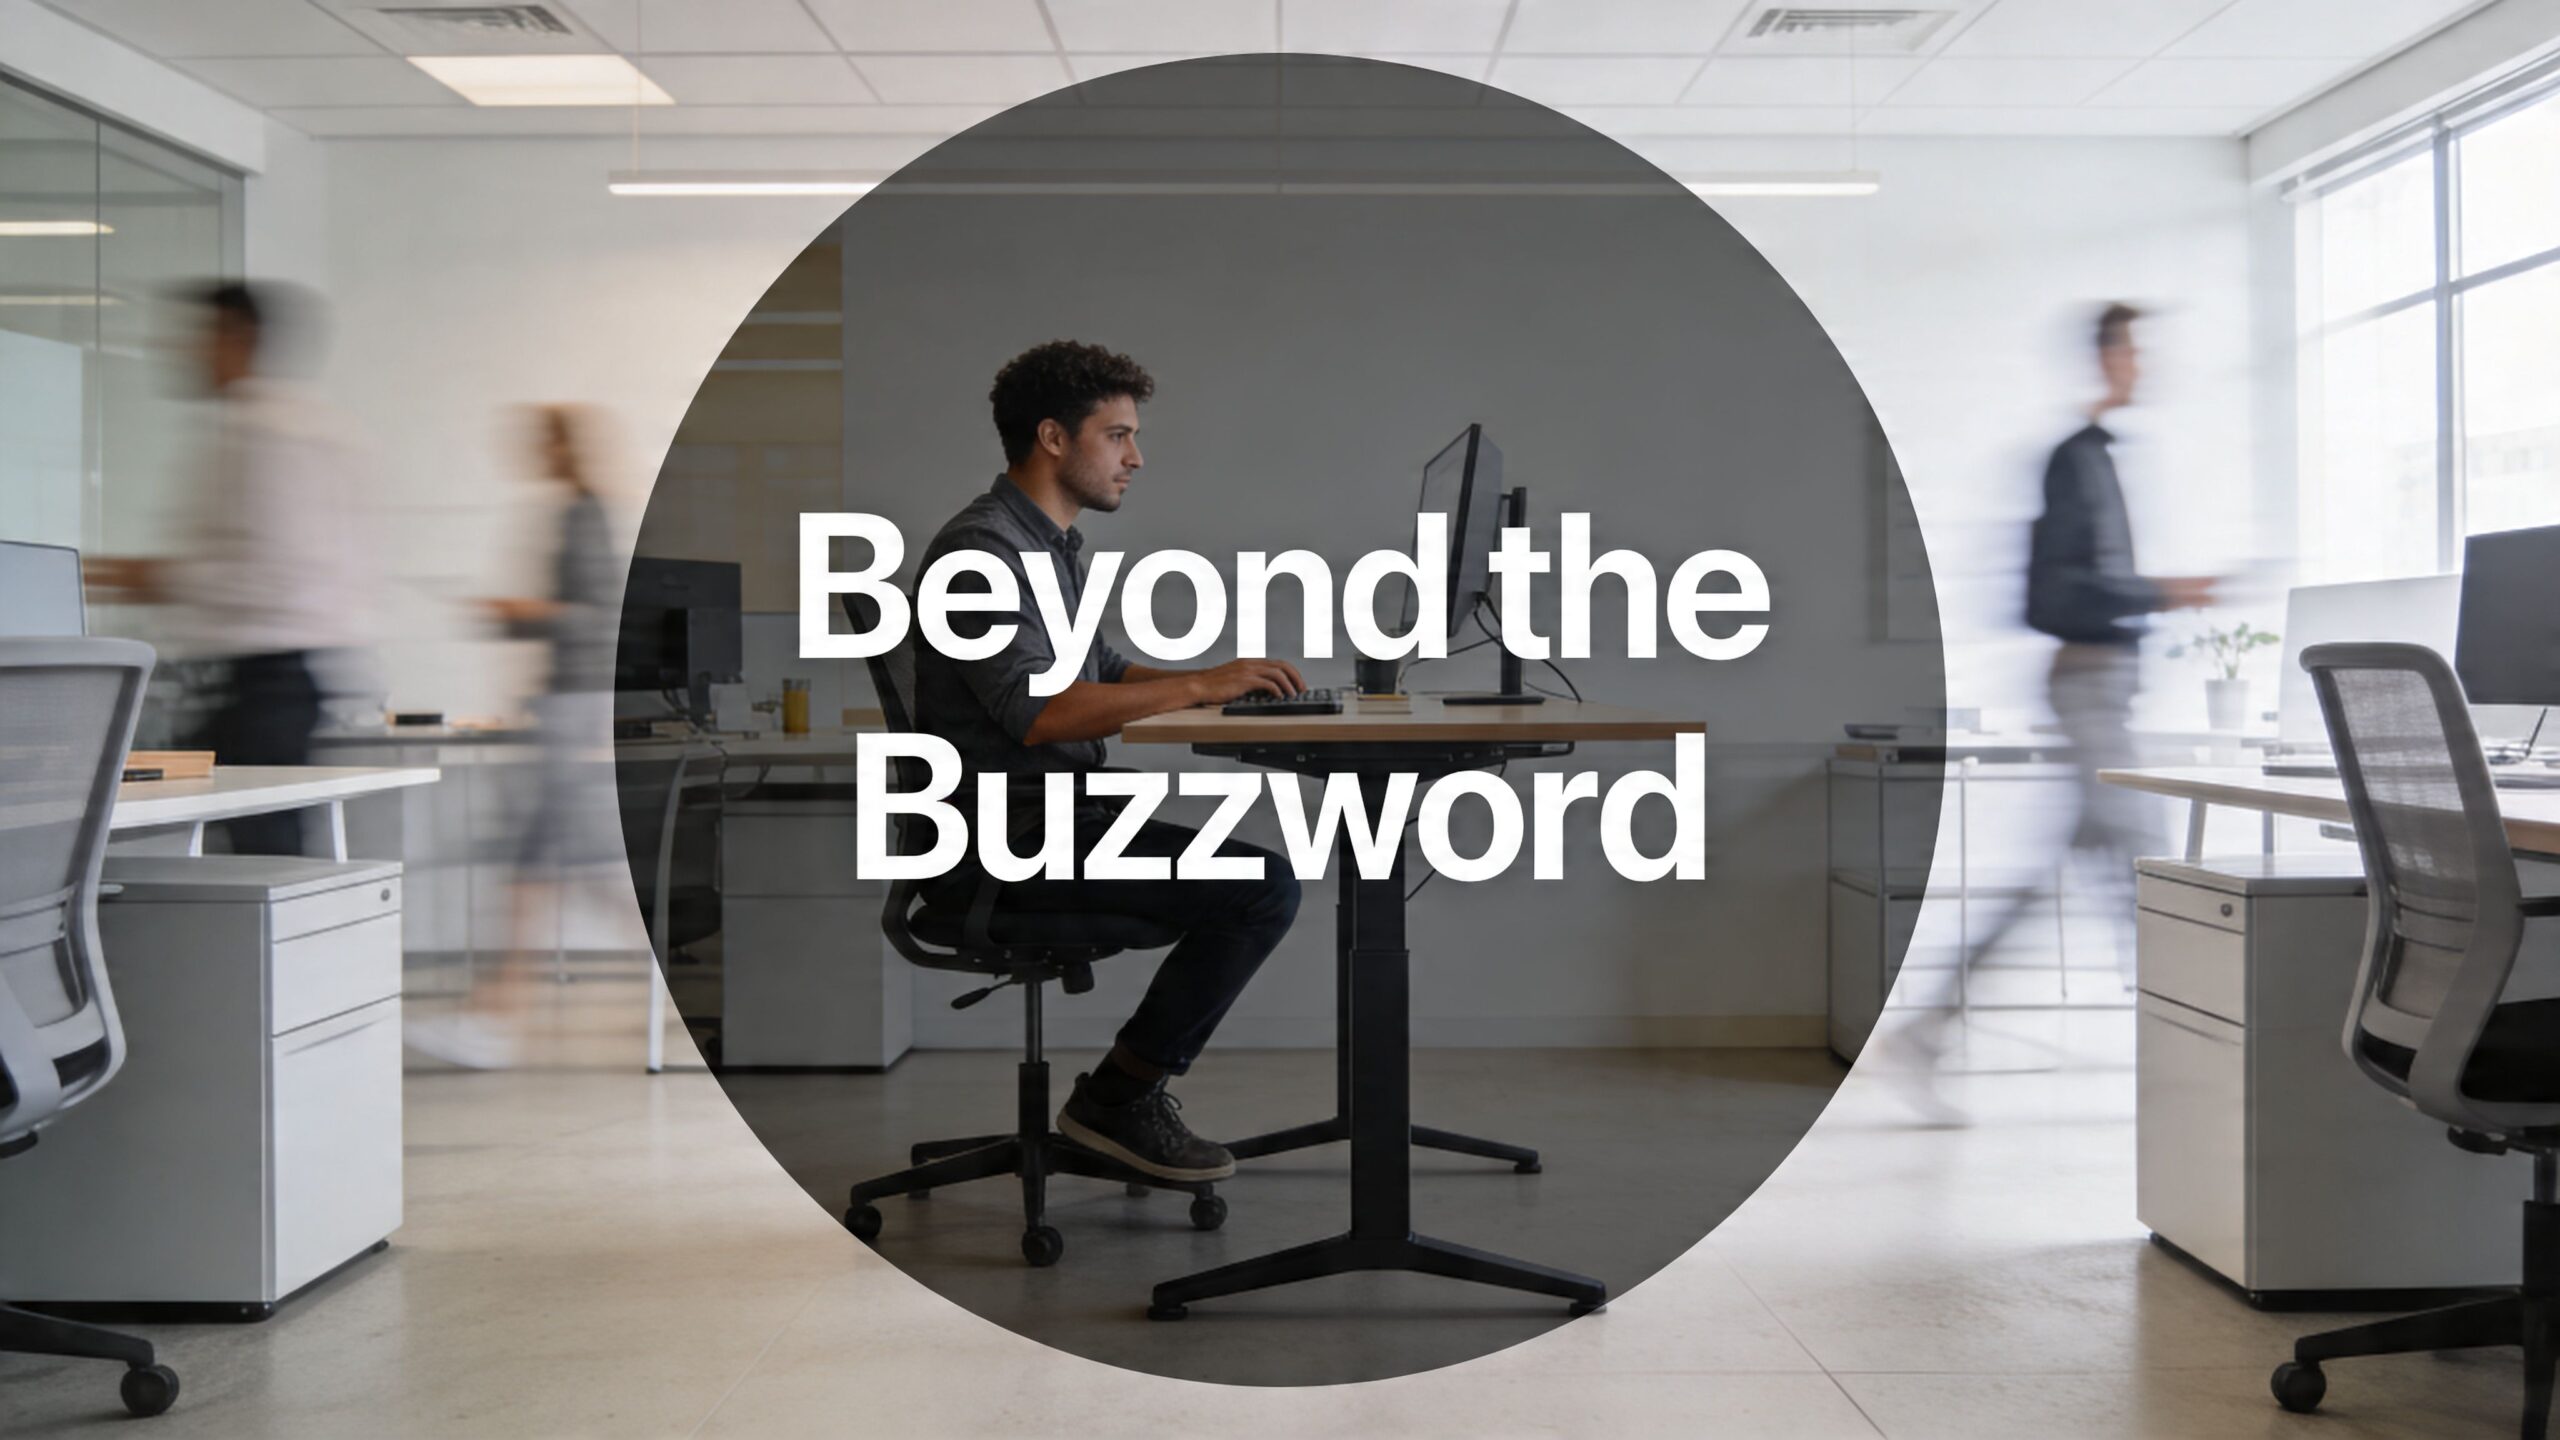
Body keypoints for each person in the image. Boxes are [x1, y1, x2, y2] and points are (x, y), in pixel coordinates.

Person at [913, 339, 1306, 1182]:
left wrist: (1226, 685)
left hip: (1060, 819)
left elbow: (1107, 671)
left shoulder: (1048, 548)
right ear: (1054, 439)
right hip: (1008, 844)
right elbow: (1040, 711)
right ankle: (1117, 1100)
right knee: (1262, 889)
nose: (1137, 457)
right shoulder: (980, 557)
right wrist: (1201, 685)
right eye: (1118, 435)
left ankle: (1120, 1094)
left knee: (1250, 879)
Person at [1891, 303, 2214, 1120]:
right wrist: (2164, 591)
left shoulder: (2100, 456)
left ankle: (1930, 1027)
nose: (2145, 364)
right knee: (2142, 862)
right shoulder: (2076, 461)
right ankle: (2195, 1063)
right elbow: (2055, 593)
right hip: (2089, 679)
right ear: (2106, 357)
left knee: (2087, 863)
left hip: (2110, 682)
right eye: (2135, 349)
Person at [89, 281, 372, 855]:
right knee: (247, 845)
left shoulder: (264, 433)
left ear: (237, 337)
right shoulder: (295, 426)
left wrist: (156, 579)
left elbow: (277, 572)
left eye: (197, 336)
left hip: (267, 681)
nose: (181, 350)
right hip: (271, 678)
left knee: (263, 853)